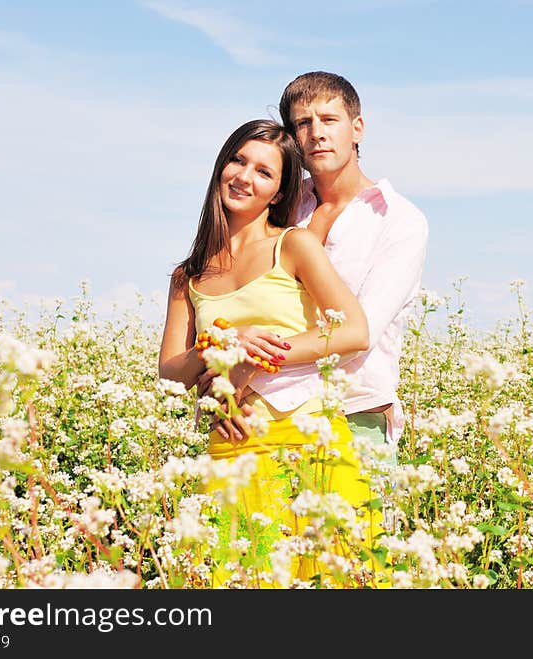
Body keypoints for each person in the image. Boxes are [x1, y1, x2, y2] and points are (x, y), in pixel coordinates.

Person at [158, 118, 387, 588]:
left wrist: (255, 356)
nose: (245, 177)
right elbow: (170, 371)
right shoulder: (188, 275)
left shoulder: (294, 245)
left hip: (310, 439)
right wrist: (221, 344)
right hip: (232, 445)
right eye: (238, 161)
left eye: (264, 172)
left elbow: (353, 331)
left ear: (279, 193)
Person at [203, 72, 429, 476]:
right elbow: (243, 303)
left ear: (357, 127)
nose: (316, 134)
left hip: (355, 415)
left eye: (329, 120)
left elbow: (358, 335)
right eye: (303, 123)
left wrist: (248, 364)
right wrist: (220, 388)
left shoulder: (399, 220)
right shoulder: (277, 204)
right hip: (263, 417)